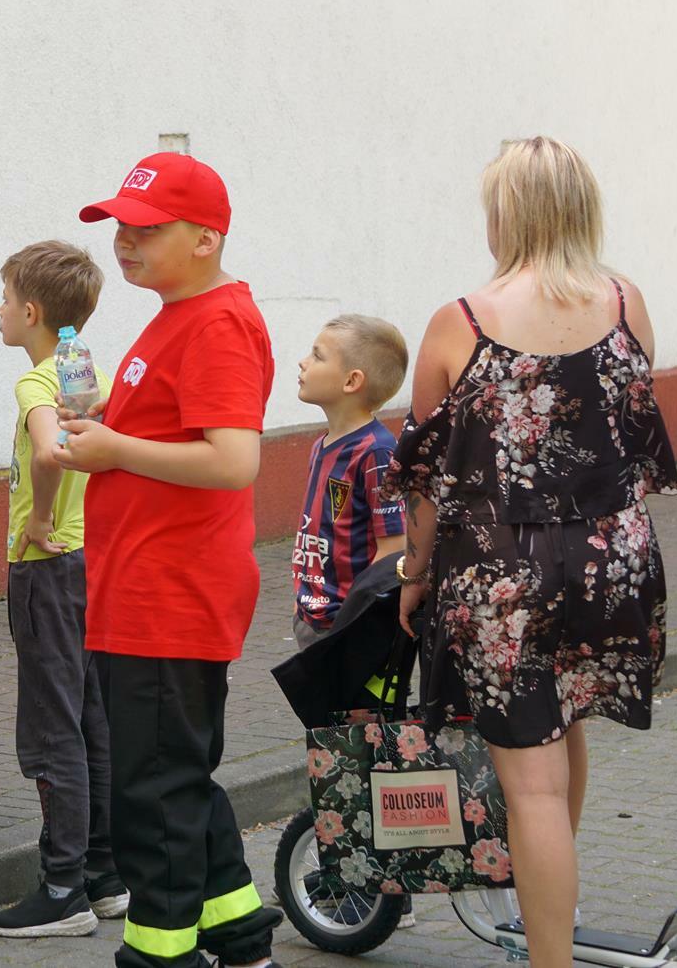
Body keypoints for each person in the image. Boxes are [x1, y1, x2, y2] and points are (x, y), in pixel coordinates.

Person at [384, 137, 677, 968]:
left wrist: (413, 574)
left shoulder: (462, 321)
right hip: (611, 559)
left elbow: (426, 480)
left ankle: (548, 955)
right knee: (565, 725)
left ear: (506, 213)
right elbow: (620, 424)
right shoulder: (626, 300)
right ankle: (553, 913)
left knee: (533, 785)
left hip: (499, 573)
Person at [56, 153, 284, 968]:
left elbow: (233, 460)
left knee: (150, 797)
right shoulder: (176, 312)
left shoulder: (216, 321)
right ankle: (241, 938)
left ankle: (159, 956)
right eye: (121, 225)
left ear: (205, 237)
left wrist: (115, 444)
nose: (126, 241)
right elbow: (174, 431)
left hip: (171, 591)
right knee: (177, 778)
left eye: (147, 229)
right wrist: (107, 421)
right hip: (150, 587)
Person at [0, 241, 127, 939]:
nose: (0, 308)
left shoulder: (38, 382)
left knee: (52, 729)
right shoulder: (79, 364)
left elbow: (49, 449)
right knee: (90, 717)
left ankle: (61, 886)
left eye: (6, 297)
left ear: (31, 310)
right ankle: (103, 875)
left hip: (46, 568)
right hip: (88, 567)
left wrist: (38, 516)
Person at [290, 314, 415, 928]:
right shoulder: (324, 444)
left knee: (364, 753)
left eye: (316, 355)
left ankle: (385, 884)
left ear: (352, 380)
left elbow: (395, 556)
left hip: (352, 634)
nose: (302, 362)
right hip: (317, 624)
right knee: (333, 753)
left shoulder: (378, 452)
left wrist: (355, 632)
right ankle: (353, 868)